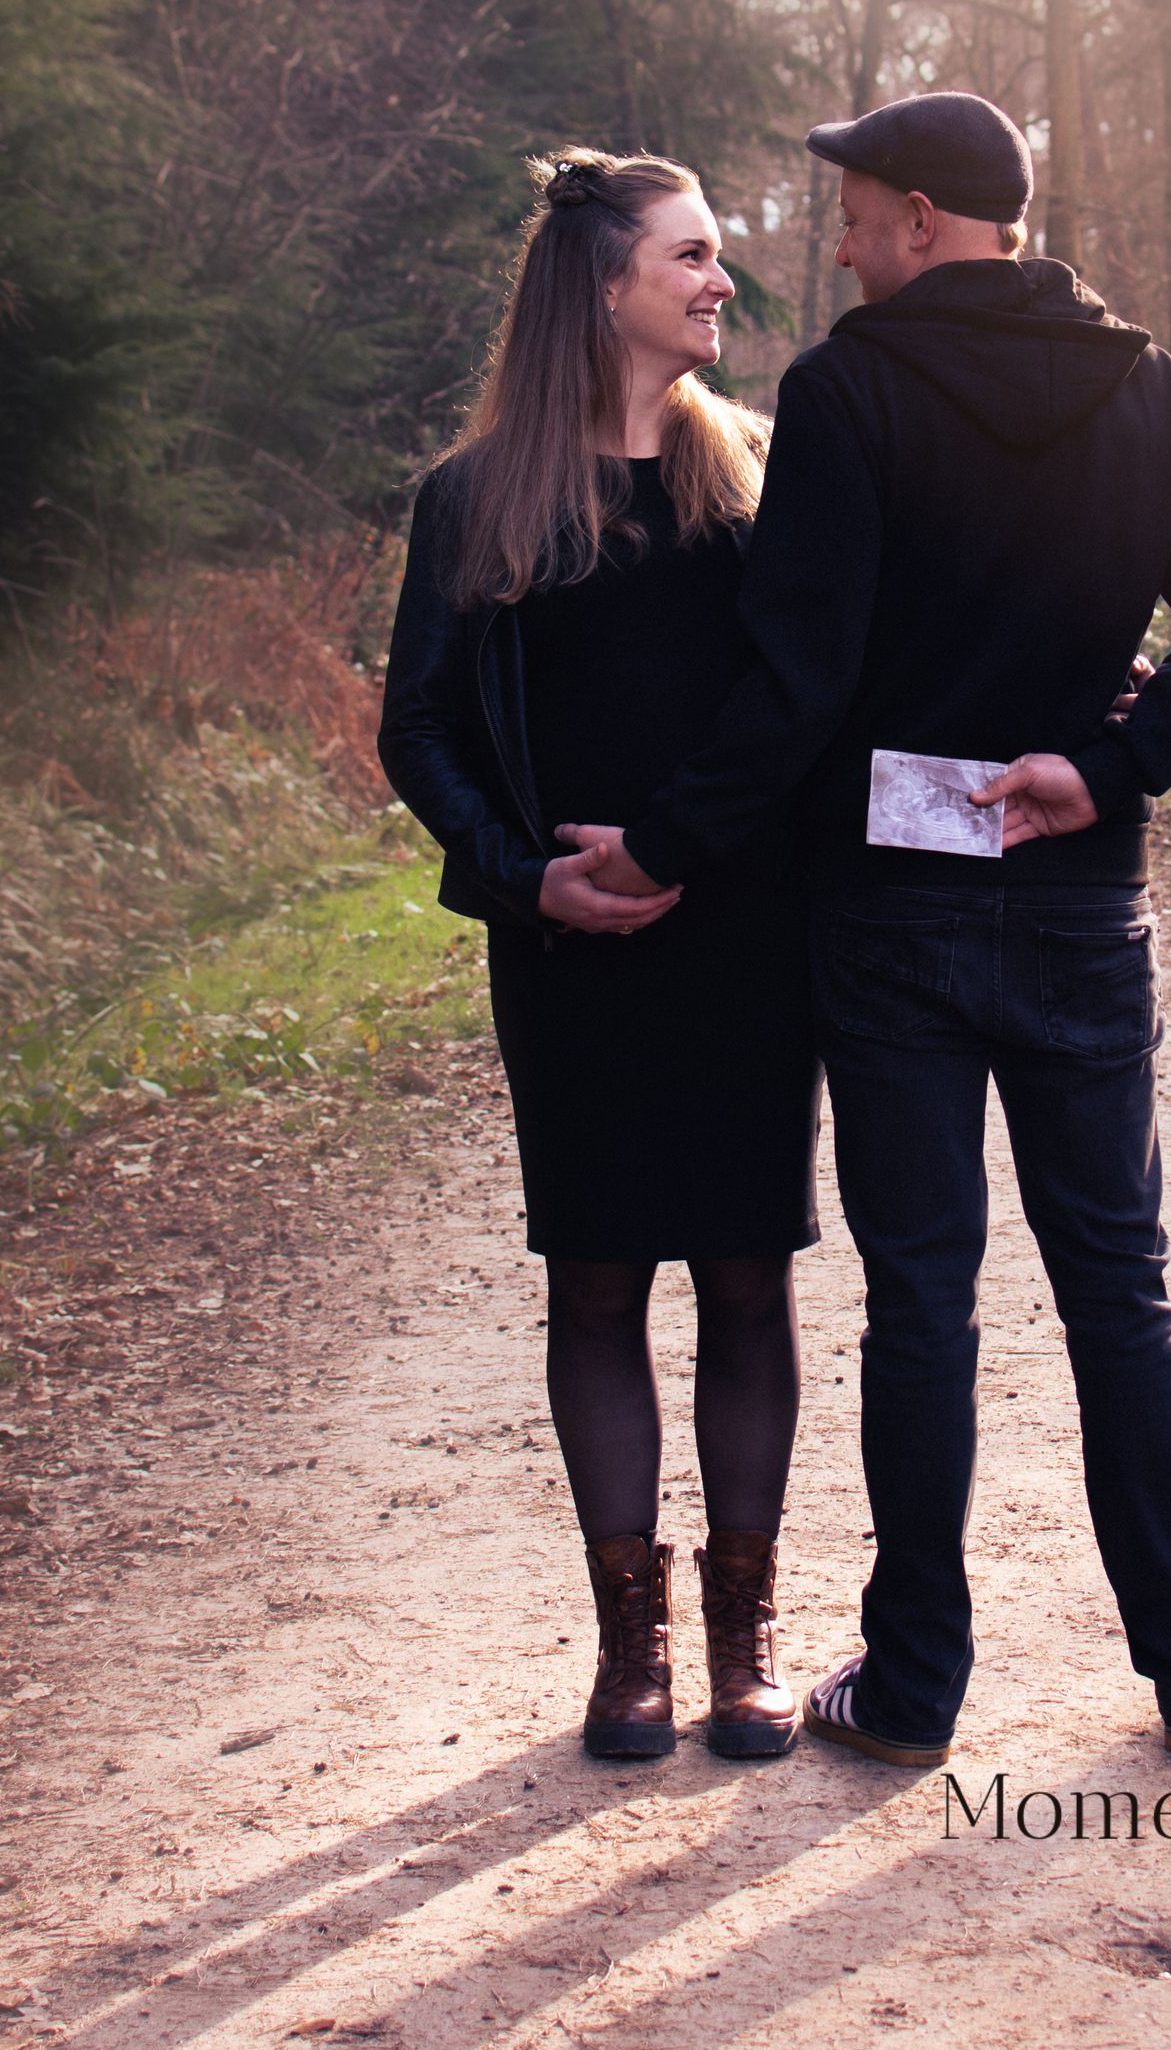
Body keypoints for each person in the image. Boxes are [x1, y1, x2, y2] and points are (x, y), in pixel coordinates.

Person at [561, 91, 1171, 1770]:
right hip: (1076, 900)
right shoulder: (1145, 383)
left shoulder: (853, 388)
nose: (838, 244)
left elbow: (801, 670)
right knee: (1122, 1290)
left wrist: (666, 843)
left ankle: (913, 1692)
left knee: (925, 1306)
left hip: (891, 914)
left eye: (854, 213)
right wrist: (1108, 769)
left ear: (915, 217)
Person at [376, 148, 820, 1764]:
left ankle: (742, 1635)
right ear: (605, 284)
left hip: (748, 941)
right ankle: (628, 1650)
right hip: (570, 959)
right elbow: (416, 725)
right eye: (693, 256)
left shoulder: (756, 481)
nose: (722, 281)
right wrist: (522, 885)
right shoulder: (475, 498)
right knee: (600, 1280)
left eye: (718, 258)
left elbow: (844, 684)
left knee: (749, 1277)